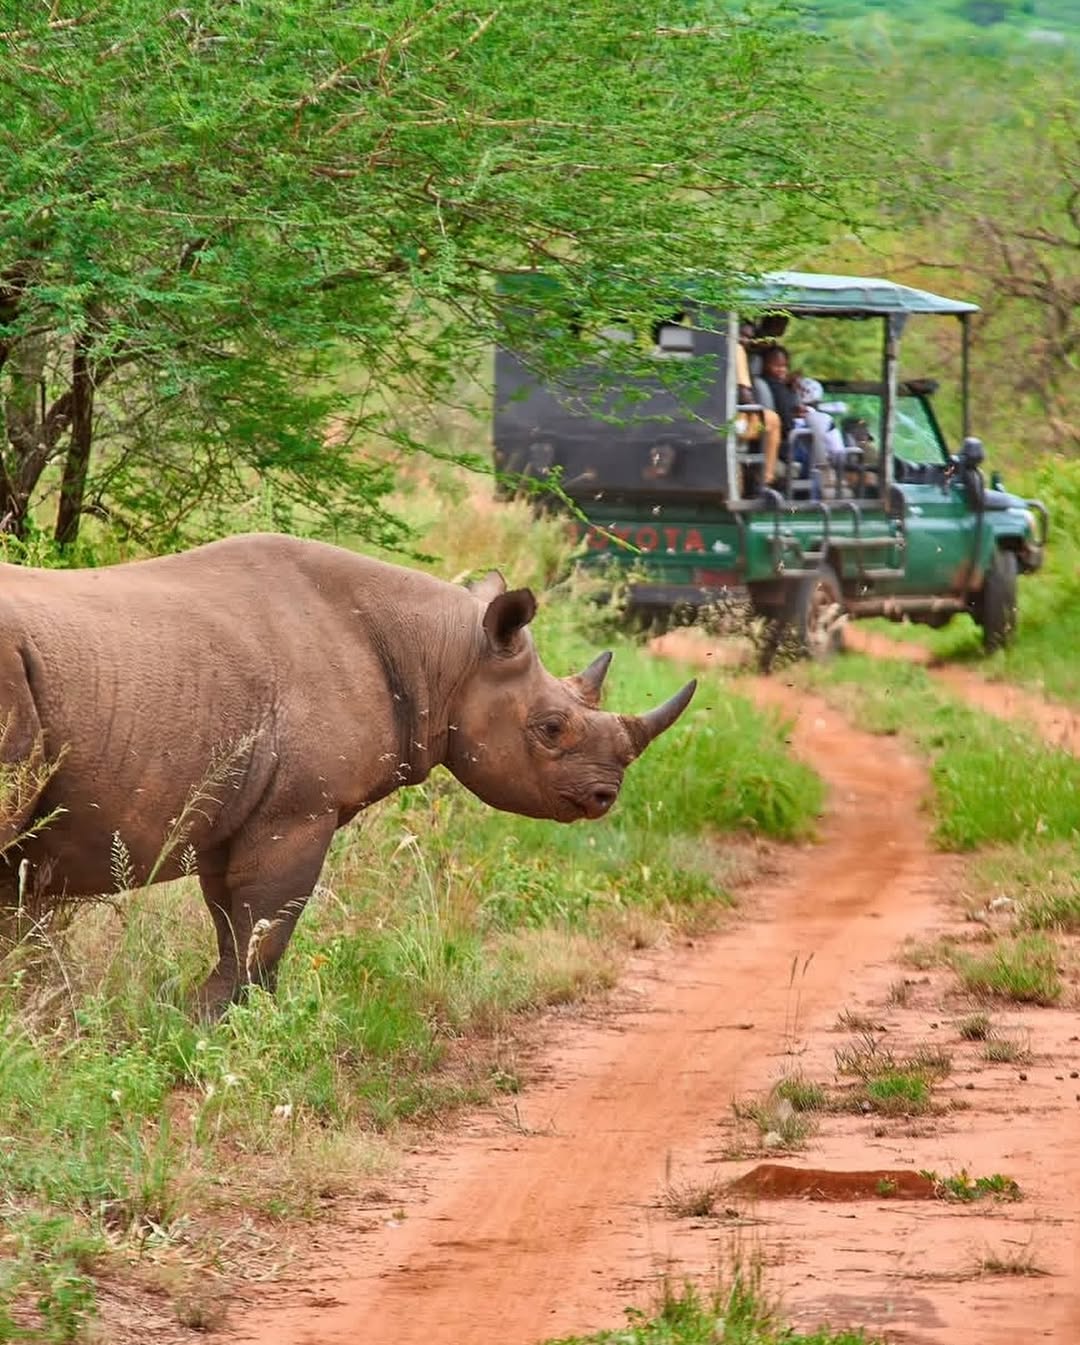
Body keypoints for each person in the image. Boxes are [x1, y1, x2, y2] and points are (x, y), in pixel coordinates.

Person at [735, 322, 781, 487]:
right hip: (729, 423)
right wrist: (755, 408)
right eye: (742, 336)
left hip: (695, 420)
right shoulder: (736, 350)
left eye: (749, 338)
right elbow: (744, 393)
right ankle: (766, 479)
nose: (745, 341)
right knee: (772, 420)